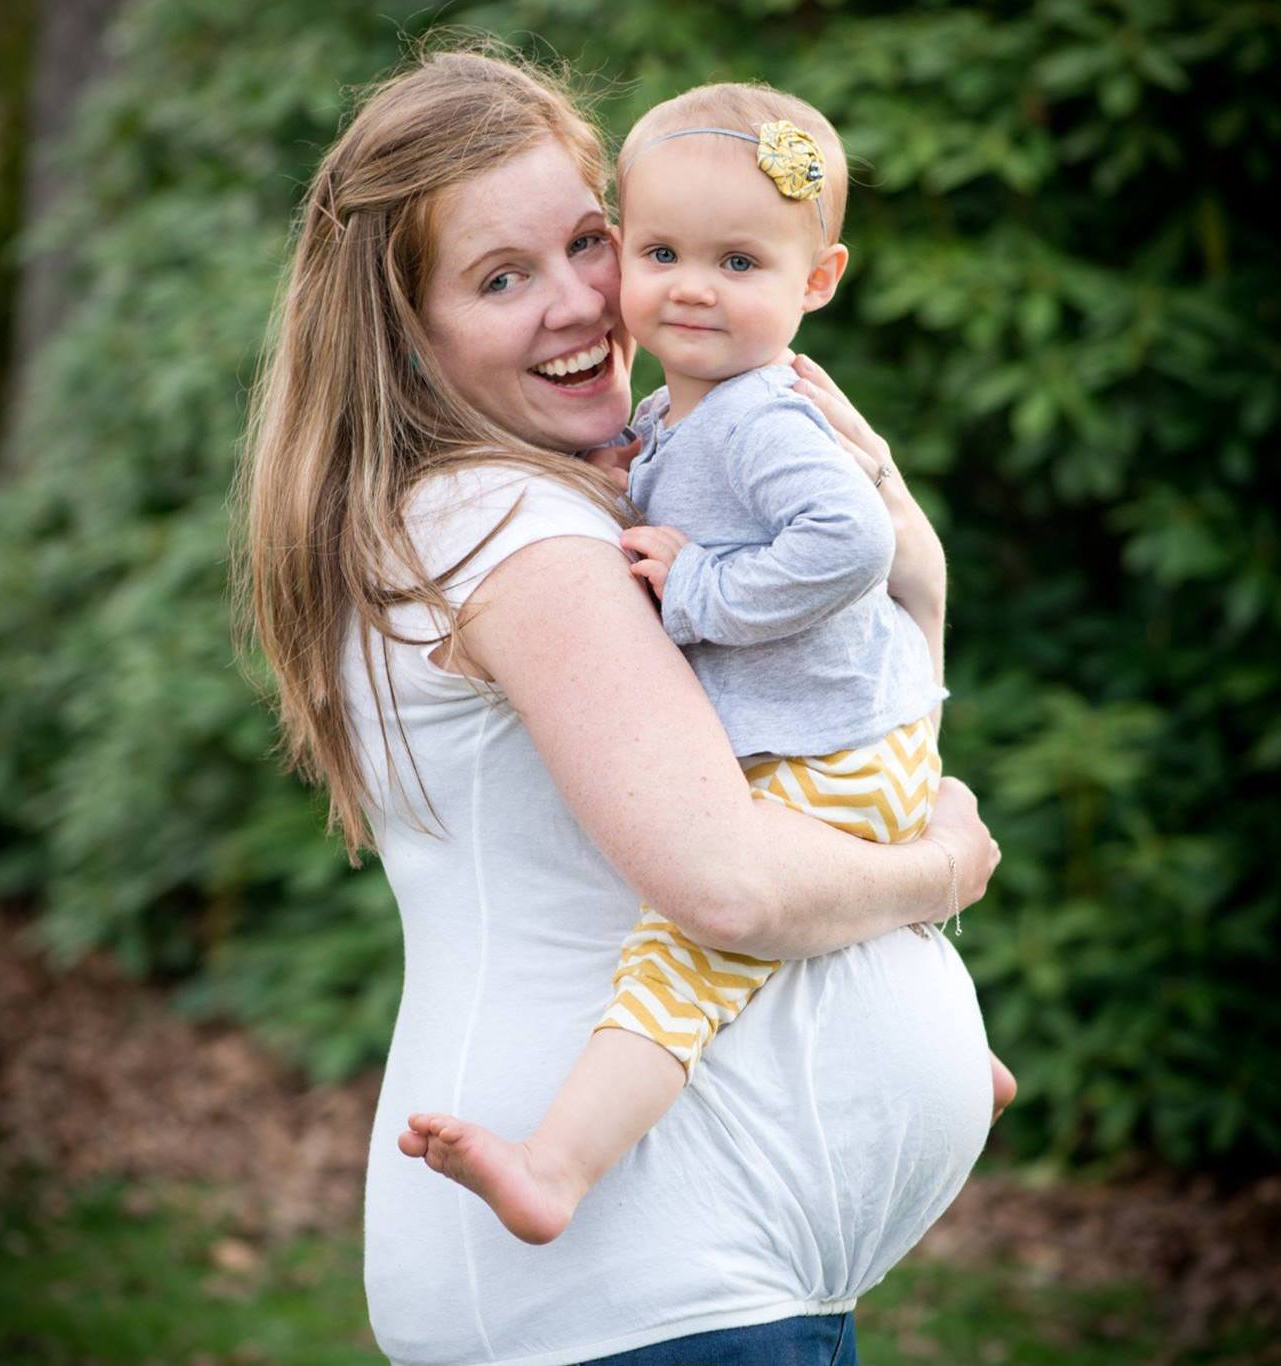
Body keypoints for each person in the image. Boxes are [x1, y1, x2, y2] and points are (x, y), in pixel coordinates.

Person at [238, 42, 1002, 1366]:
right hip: (628, 1293)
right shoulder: (511, 527)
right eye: (499, 278)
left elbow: (835, 702)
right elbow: (730, 888)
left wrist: (912, 572)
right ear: (406, 334)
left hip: (698, 1281)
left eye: (588, 241)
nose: (582, 302)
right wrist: (943, 867)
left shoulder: (618, 477)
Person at [400, 78, 1018, 1250]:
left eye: (738, 262)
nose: (688, 287)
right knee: (767, 908)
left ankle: (556, 1166)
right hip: (835, 735)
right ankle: (953, 1039)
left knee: (677, 966)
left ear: (816, 281)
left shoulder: (758, 415)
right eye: (659, 253)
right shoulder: (674, 420)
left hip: (825, 745)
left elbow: (851, 543)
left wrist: (699, 590)